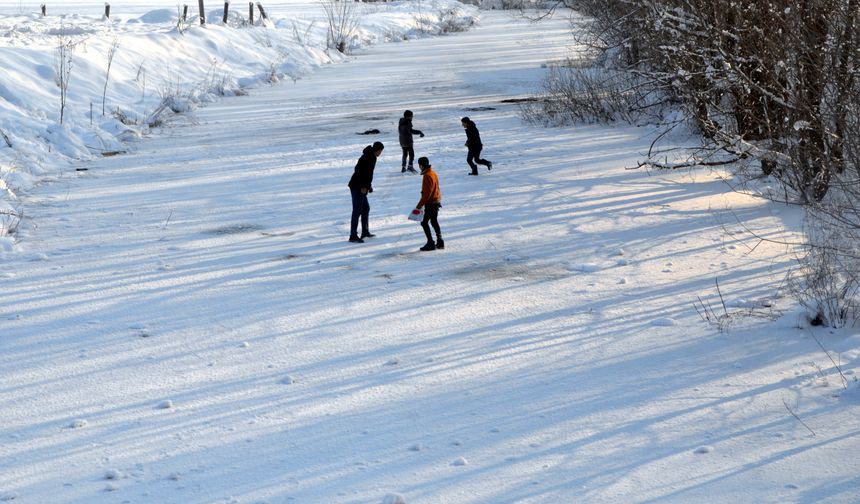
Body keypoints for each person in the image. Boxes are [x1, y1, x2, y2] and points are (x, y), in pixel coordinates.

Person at [347, 141, 384, 243]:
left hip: (363, 187)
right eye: (380, 151)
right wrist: (363, 186)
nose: (380, 153)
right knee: (357, 210)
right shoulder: (366, 157)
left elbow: (368, 174)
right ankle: (353, 235)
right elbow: (358, 171)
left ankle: (365, 231)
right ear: (378, 150)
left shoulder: (372, 157)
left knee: (365, 208)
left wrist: (369, 186)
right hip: (356, 187)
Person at [415, 156, 444, 251]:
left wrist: (419, 205)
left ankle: (430, 242)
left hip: (431, 203)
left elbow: (427, 194)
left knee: (424, 223)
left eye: (419, 165)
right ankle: (440, 241)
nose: (419, 166)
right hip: (436, 201)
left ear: (422, 165)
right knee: (434, 221)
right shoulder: (433, 173)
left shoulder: (427, 175)